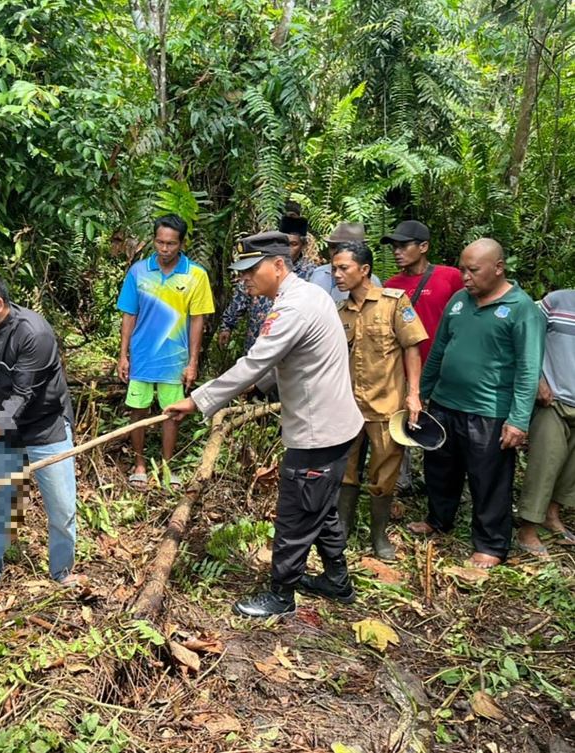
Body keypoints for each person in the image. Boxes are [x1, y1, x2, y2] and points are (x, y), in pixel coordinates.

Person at [165, 231, 364, 617]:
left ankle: (281, 595)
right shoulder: (308, 295)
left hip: (317, 433)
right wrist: (257, 389)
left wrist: (197, 401)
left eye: (251, 271)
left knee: (295, 512)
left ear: (277, 265)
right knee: (320, 508)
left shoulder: (292, 307)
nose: (245, 280)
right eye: (241, 273)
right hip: (335, 427)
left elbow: (255, 362)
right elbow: (291, 359)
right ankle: (337, 581)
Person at [409, 238, 545, 568]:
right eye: (462, 269)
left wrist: (518, 420)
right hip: (445, 403)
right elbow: (439, 349)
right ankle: (438, 520)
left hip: (489, 411)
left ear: (498, 268)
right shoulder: (459, 301)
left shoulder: (521, 309)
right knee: (440, 469)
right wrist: (423, 392)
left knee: (489, 481)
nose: (465, 277)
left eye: (473, 270)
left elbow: (529, 368)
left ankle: (491, 545)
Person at [0, 265, 86, 593]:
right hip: (2, 430)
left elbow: (23, 395)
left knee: (62, 507)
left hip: (45, 427)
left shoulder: (33, 333)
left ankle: (63, 571)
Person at [332, 242, 428, 560]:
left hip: (386, 405)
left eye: (344, 268)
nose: (337, 274)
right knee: (346, 469)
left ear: (365, 270)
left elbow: (412, 347)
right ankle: (342, 530)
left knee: (384, 473)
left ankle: (378, 536)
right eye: (334, 268)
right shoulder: (341, 311)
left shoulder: (394, 303)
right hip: (348, 407)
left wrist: (413, 395)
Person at [117, 214, 214, 489]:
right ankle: (139, 465)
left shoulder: (196, 275)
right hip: (142, 356)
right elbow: (129, 315)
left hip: (174, 358)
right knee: (138, 410)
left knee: (171, 413)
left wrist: (193, 362)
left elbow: (198, 320)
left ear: (181, 243)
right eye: (160, 242)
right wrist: (123, 355)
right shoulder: (138, 271)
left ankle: (167, 467)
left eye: (171, 243)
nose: (164, 249)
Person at [382, 220, 464, 494]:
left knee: (443, 428)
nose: (397, 251)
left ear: (424, 246)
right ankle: (401, 483)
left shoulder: (449, 277)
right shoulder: (391, 285)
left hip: (443, 370)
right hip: (403, 370)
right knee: (402, 423)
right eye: (394, 246)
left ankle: (443, 488)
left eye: (403, 245)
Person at [515, 289, 575, 556]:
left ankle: (552, 515)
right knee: (545, 463)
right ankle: (527, 528)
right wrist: (537, 379)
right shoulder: (556, 302)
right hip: (553, 399)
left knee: (571, 469)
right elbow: (527, 340)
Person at [218, 216, 317, 353]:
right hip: (256, 343)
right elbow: (241, 295)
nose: (287, 250)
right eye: (284, 244)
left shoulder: (311, 273)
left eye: (293, 244)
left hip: (288, 348)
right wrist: (227, 326)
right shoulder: (262, 267)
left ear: (303, 246)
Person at [309, 221, 380, 302]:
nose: (335, 252)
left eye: (343, 247)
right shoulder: (319, 274)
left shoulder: (372, 281)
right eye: (332, 247)